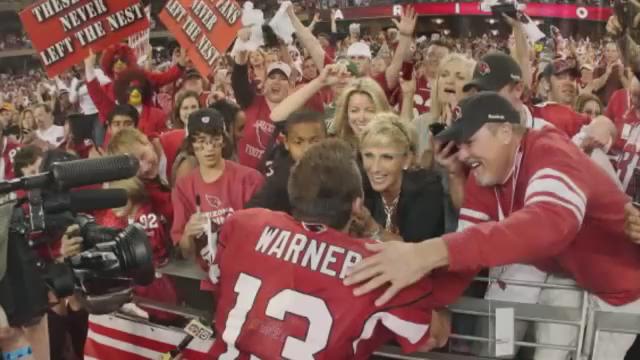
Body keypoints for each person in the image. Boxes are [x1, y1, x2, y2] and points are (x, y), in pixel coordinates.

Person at [345, 92, 640, 360]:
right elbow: (462, 261)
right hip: (569, 274)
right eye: (459, 145)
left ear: (506, 132)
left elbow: (549, 224)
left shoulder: (549, 150)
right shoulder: (483, 176)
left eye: (469, 142)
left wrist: (427, 252)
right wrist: (428, 306)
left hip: (622, 286)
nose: (462, 154)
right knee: (528, 350)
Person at [208, 138, 471, 358]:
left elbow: (215, 277)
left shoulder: (244, 223)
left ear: (293, 191)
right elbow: (433, 337)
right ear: (357, 205)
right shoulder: (375, 264)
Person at [171, 109, 264, 287]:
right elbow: (185, 252)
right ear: (191, 145)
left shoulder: (250, 179)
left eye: (215, 139)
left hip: (250, 276)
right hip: (209, 278)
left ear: (223, 140)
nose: (209, 148)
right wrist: (188, 233)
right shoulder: (184, 187)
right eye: (201, 141)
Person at [359, 114, 444, 242]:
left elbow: (415, 251)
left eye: (387, 157)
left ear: (407, 159)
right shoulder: (359, 185)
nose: (375, 168)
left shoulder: (427, 189)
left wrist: (372, 228)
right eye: (369, 156)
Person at [246, 110, 327, 213]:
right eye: (298, 142)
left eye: (315, 141)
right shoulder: (280, 179)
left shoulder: (338, 168)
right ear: (286, 143)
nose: (307, 149)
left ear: (327, 140)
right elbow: (251, 212)